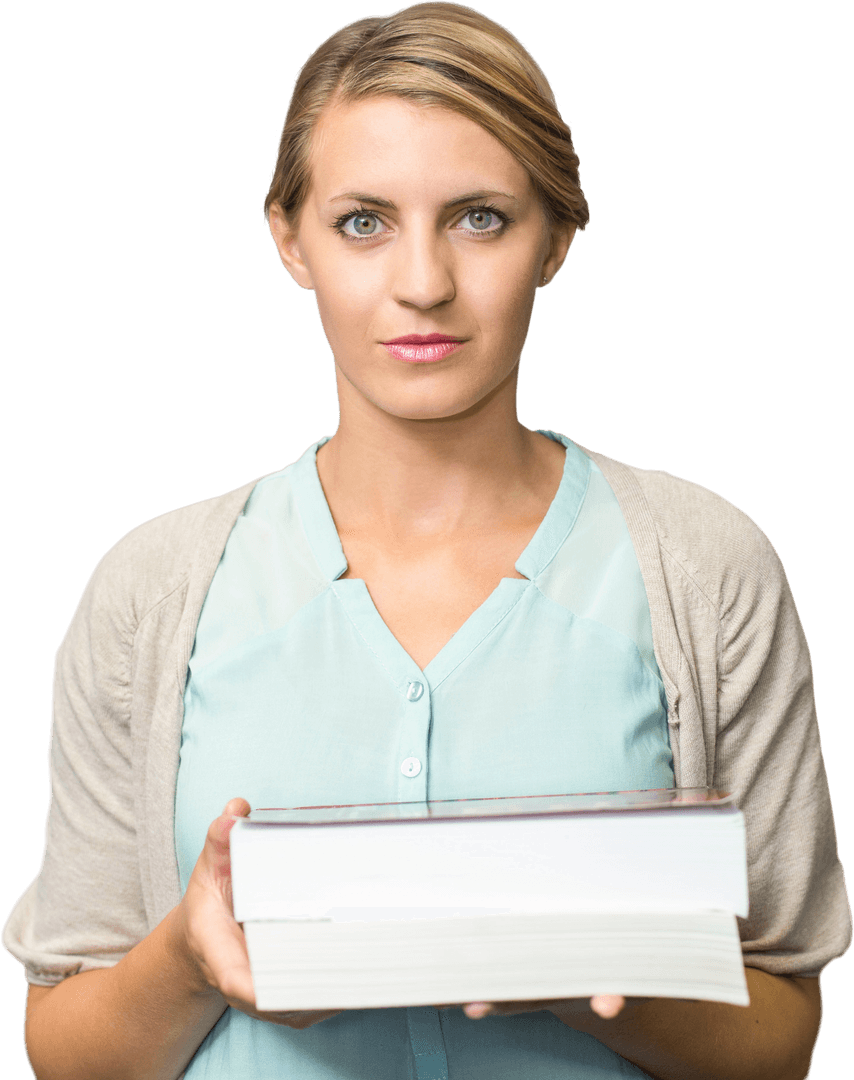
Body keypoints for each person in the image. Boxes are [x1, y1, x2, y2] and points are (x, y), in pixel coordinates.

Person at [3, 3, 850, 1078]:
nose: (423, 283)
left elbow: (779, 1045)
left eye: (479, 218)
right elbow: (65, 1053)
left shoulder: (705, 570)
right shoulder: (151, 590)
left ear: (557, 239)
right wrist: (189, 957)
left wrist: (580, 967)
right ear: (287, 239)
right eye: (362, 220)